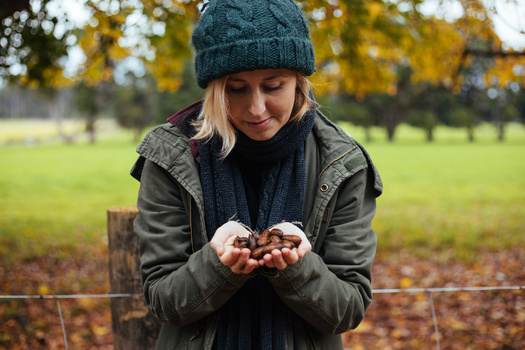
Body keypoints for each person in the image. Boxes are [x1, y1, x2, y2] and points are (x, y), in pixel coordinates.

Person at [130, 0, 383, 349]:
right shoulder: (171, 157)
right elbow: (162, 299)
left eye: (273, 86)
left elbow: (348, 308)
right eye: (236, 89)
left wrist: (297, 268)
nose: (256, 107)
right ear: (215, 88)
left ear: (299, 81)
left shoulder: (342, 163)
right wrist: (217, 265)